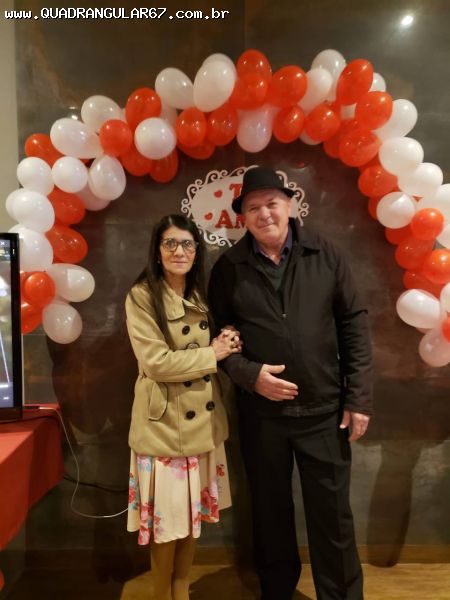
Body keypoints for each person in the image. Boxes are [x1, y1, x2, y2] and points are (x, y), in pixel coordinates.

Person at [208, 166, 373, 600]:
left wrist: (358, 398)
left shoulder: (326, 253)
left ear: (290, 205)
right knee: (270, 516)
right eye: (253, 207)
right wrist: (250, 376)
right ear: (242, 217)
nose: (264, 214)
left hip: (324, 412)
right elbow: (217, 341)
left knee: (333, 518)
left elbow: (354, 324)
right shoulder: (229, 267)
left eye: (272, 203)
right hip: (262, 416)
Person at [126, 214, 240, 600]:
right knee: (167, 524)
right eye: (170, 243)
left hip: (202, 424)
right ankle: (162, 595)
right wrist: (212, 353)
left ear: (196, 251)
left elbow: (216, 342)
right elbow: (156, 363)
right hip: (164, 427)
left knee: (192, 520)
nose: (179, 251)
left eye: (187, 244)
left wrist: (228, 339)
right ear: (157, 251)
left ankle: (181, 590)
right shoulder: (142, 296)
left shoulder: (199, 293)